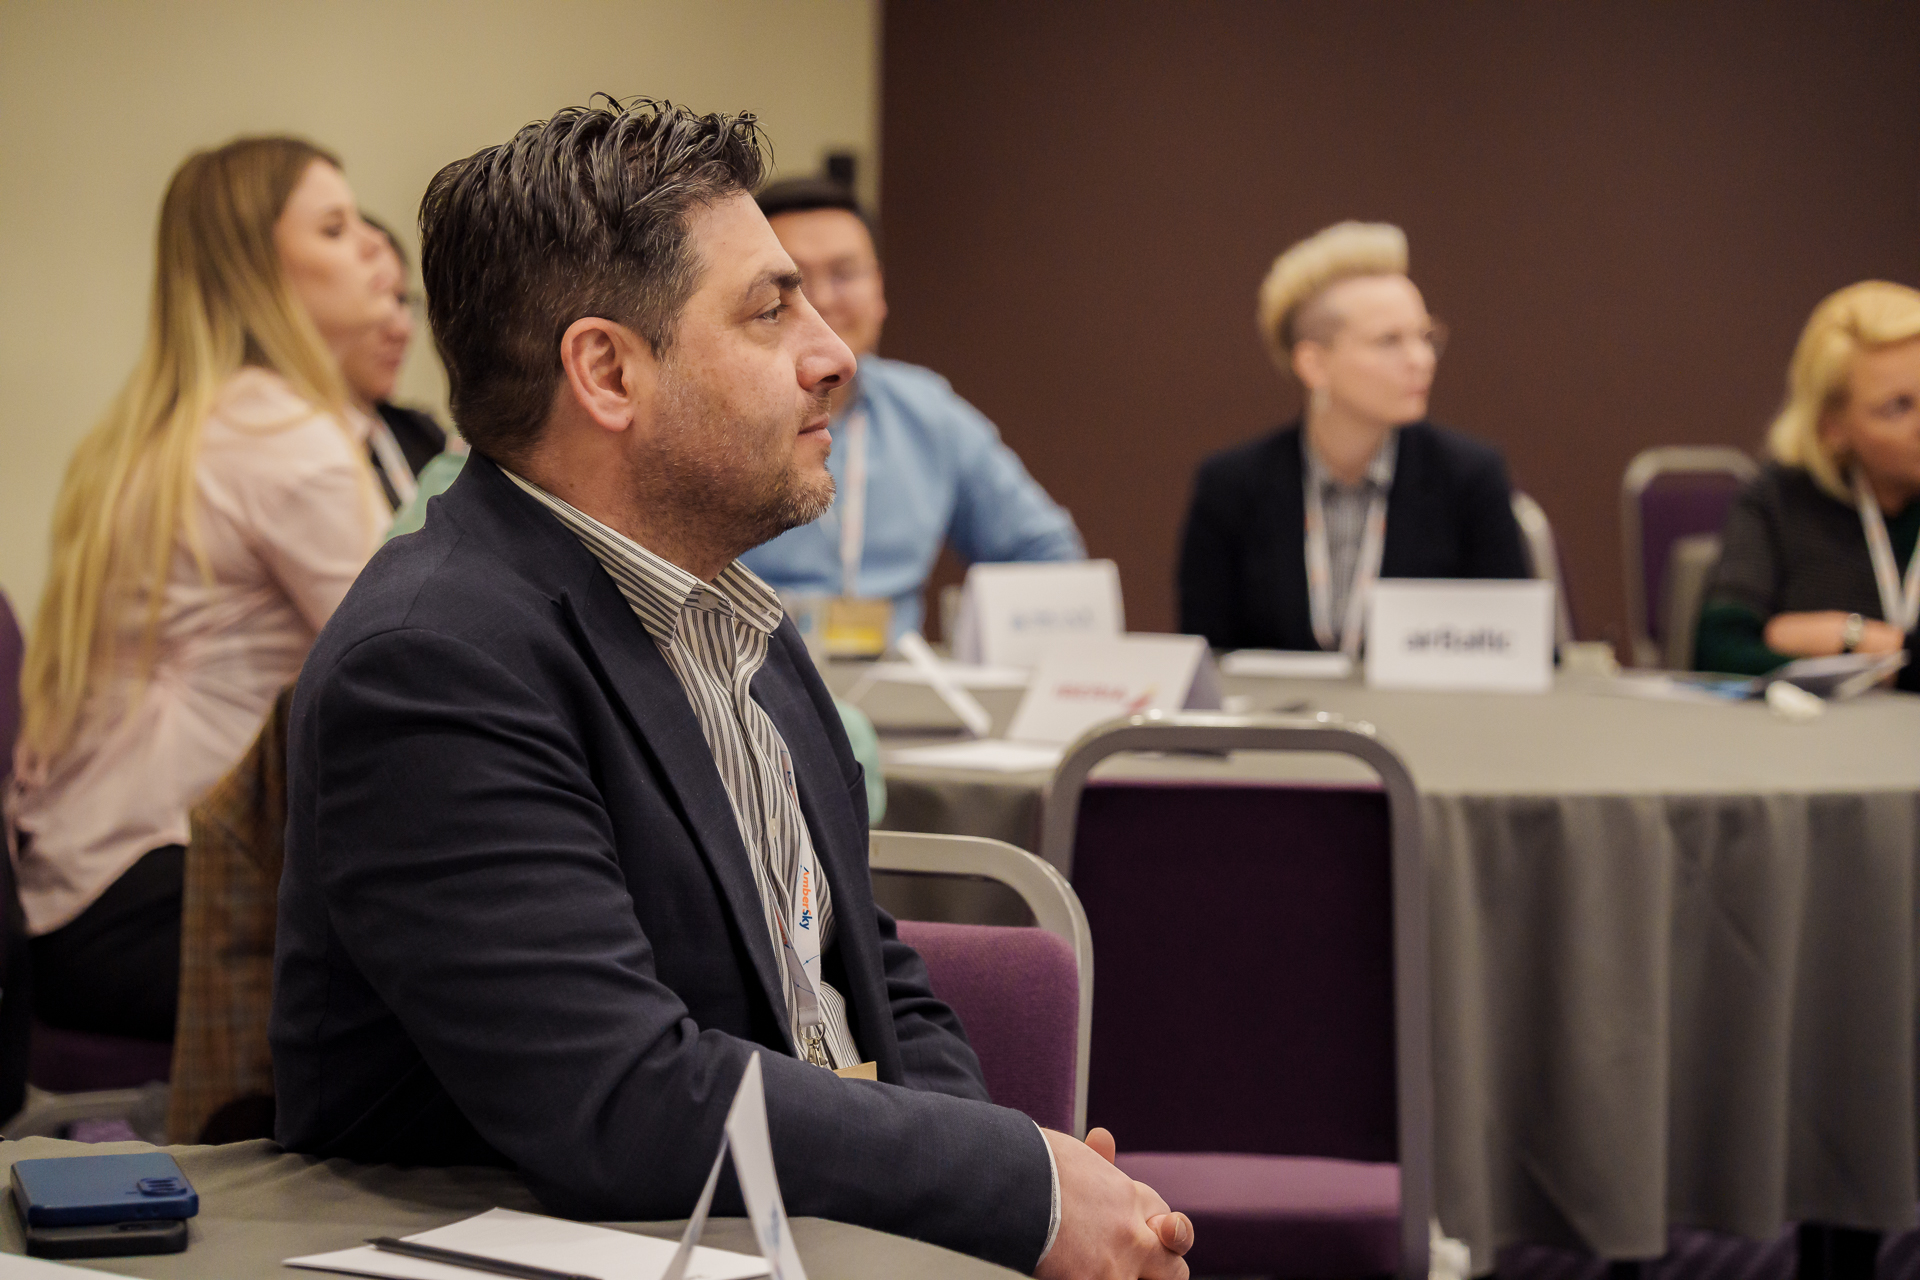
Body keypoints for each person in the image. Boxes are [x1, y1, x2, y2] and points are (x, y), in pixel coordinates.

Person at [270, 101, 1191, 1278]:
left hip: (791, 1229)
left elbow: (873, 978)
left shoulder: (733, 615)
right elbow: (621, 1100)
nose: (835, 353)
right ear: (608, 370)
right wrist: (1016, 1185)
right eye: (771, 309)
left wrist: (1004, 1192)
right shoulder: (436, 661)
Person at [6, 137, 394, 1042]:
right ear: (259, 266)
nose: (373, 248)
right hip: (156, 896)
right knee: (464, 971)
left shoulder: (156, 429)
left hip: (75, 894)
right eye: (335, 229)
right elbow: (414, 667)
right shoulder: (283, 439)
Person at [738, 177, 1084, 637]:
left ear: (879, 290)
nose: (822, 300)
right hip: (746, 669)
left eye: (844, 274)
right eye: (794, 282)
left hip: (893, 676)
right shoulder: (724, 416)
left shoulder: (926, 412)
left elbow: (1045, 554)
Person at [1178, 221, 1529, 652]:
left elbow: (1519, 650)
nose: (1421, 360)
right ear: (1314, 364)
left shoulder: (1469, 478)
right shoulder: (1232, 488)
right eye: (1389, 341)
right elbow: (1205, 658)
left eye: (1425, 337)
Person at [1695, 281, 1920, 690]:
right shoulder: (1778, 501)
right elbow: (1717, 652)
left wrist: (1852, 639)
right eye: (1898, 408)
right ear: (1831, 427)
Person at [343, 215, 448, 508]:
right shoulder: (292, 448)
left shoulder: (423, 434)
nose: (402, 330)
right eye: (377, 298)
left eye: (401, 300)